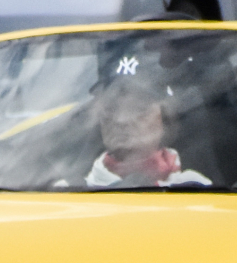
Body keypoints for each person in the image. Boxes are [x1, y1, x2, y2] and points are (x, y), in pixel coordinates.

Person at [82, 53, 211, 188]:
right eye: (111, 108)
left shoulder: (202, 191)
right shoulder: (67, 196)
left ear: (165, 118)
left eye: (139, 108)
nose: (121, 119)